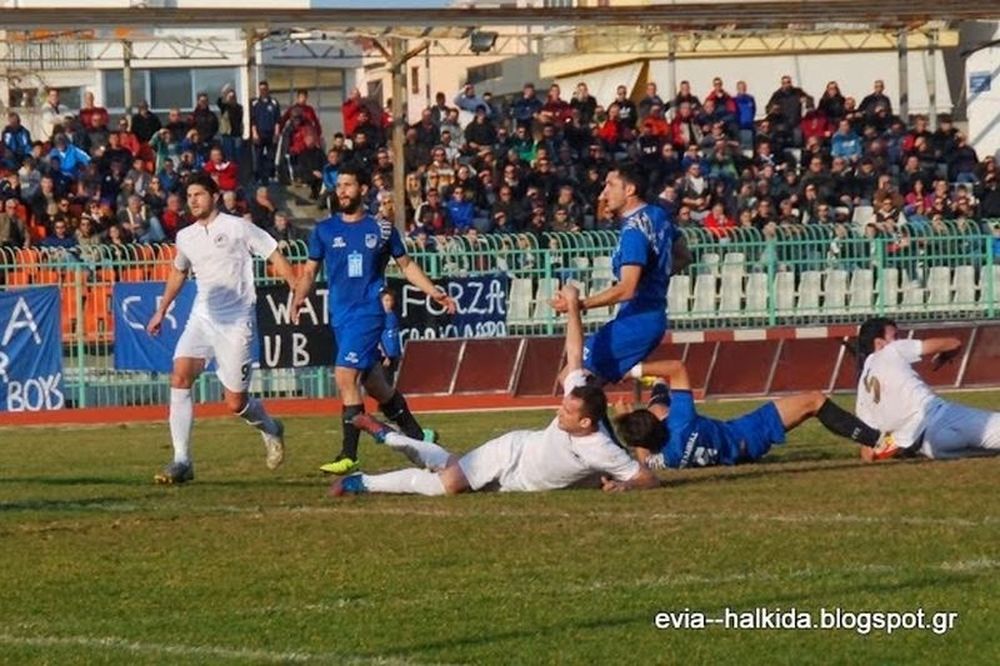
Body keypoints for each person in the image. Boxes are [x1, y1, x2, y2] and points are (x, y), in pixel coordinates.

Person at [332, 284, 660, 497]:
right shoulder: (581, 399)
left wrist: (624, 484)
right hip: (510, 453)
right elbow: (574, 353)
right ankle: (361, 481)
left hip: (517, 482)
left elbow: (647, 477)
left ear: (587, 423)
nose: (559, 412)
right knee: (446, 485)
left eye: (567, 412)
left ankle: (387, 436)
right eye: (564, 407)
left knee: (447, 463)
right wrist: (573, 306)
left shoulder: (602, 447)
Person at [291, 165, 458, 476]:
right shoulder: (325, 230)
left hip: (368, 313)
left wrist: (434, 291)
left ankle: (348, 455)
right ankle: (421, 438)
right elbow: (310, 271)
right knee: (377, 387)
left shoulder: (381, 229)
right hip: (340, 317)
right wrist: (300, 295)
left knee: (345, 377)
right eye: (339, 185)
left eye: (348, 184)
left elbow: (406, 266)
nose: (342, 191)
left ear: (362, 189)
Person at [145, 173, 296, 484]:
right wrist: (161, 310)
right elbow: (179, 272)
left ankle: (270, 427)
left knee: (235, 403)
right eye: (189, 196)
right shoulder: (185, 236)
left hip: (236, 321)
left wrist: (296, 289)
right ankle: (182, 460)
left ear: (214, 196)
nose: (193, 201)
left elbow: (273, 254)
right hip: (202, 316)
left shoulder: (237, 227)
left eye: (199, 194)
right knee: (180, 375)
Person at [613, 358, 896, 470]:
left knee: (660, 400)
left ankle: (658, 387)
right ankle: (877, 442)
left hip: (736, 454)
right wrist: (632, 370)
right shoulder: (681, 421)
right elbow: (677, 367)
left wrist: (626, 424)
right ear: (658, 422)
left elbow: (642, 452)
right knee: (815, 401)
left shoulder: (662, 459)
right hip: (746, 434)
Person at [552, 163, 690, 384]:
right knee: (588, 387)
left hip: (637, 320)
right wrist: (654, 278)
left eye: (610, 185)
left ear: (629, 190)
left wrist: (578, 304)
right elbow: (684, 256)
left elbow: (627, 289)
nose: (603, 194)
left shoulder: (633, 232)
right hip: (650, 317)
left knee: (572, 379)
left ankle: (648, 399)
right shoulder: (657, 215)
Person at [854, 317, 1000, 461]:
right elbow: (954, 343)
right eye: (895, 336)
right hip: (941, 418)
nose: (899, 340)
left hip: (931, 447)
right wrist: (946, 355)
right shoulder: (891, 350)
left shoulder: (862, 391)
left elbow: (867, 453)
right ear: (879, 343)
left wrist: (895, 447)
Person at [378, 289, 402, 386]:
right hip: (384, 356)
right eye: (386, 300)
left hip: (394, 354)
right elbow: (377, 338)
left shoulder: (394, 315)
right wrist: (384, 355)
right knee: (384, 383)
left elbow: (396, 335)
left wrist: (399, 353)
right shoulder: (379, 317)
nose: (389, 303)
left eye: (390, 300)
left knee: (392, 382)